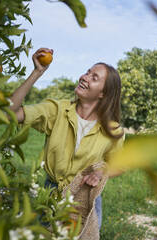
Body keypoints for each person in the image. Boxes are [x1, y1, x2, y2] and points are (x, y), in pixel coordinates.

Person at [8, 47, 125, 231]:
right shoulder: (57, 110)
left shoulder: (113, 131)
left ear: (103, 93)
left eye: (94, 77)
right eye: (87, 72)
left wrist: (101, 173)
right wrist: (37, 72)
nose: (85, 77)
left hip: (85, 198)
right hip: (51, 193)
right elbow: (10, 114)